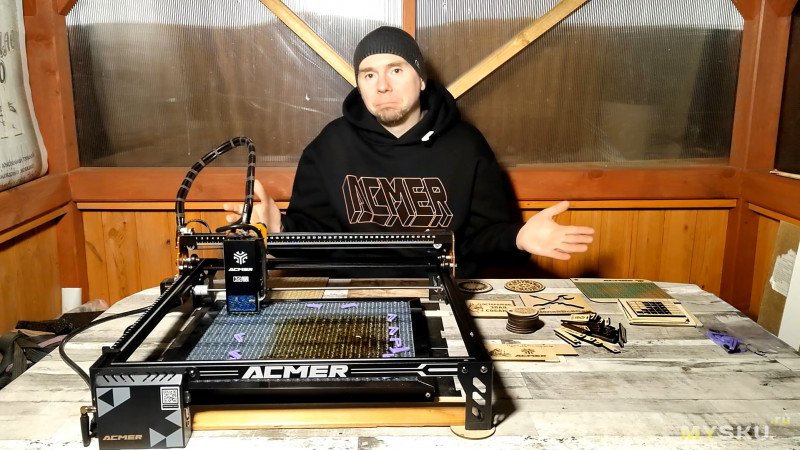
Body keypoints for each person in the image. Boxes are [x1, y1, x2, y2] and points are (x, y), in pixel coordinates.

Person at [225, 26, 594, 276]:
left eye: (396, 70)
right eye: (369, 74)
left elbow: (482, 238)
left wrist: (518, 238)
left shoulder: (466, 146)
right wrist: (278, 229)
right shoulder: (330, 146)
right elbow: (314, 240)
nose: (382, 85)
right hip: (355, 294)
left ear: (420, 78)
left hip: (443, 289)